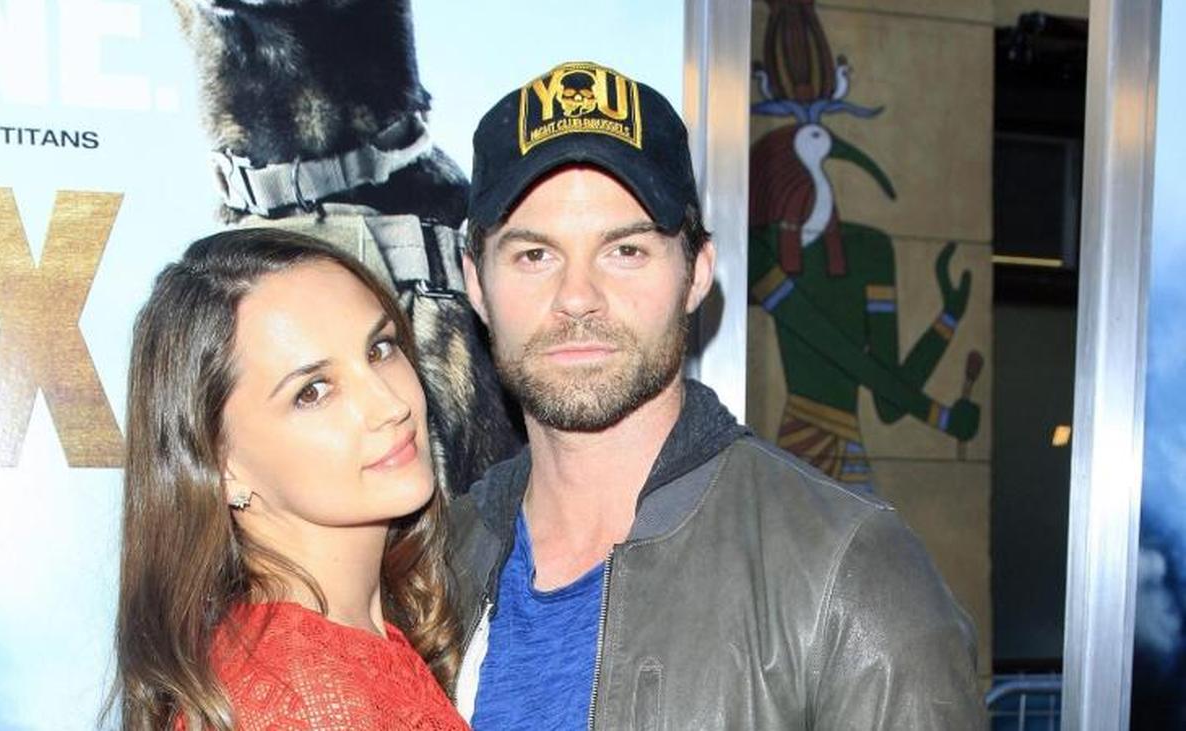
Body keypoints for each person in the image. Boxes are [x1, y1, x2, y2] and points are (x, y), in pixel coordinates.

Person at [449, 60, 985, 729]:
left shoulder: (854, 577)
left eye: (626, 251)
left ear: (697, 273)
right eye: (535, 255)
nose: (577, 296)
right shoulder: (434, 568)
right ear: (476, 283)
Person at [109, 229, 468, 731]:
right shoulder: (300, 701)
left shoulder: (337, 652)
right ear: (220, 464)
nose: (391, 405)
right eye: (313, 391)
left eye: (379, 349)